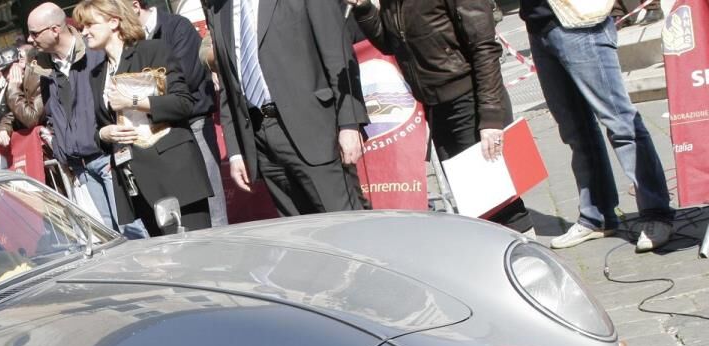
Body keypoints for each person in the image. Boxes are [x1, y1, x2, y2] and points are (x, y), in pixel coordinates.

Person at [348, 0, 533, 234]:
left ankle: (527, 260)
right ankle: (498, 257)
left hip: (470, 98)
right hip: (437, 104)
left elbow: (484, 47)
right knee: (475, 200)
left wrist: (490, 117)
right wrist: (364, 8)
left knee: (500, 201)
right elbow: (390, 43)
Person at [518, 0, 673, 252]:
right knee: (575, 131)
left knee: (621, 123)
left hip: (581, 22)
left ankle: (656, 212)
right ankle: (596, 216)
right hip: (539, 25)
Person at [203, 0, 369, 216]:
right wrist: (235, 152)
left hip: (314, 130)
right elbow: (228, 84)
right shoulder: (220, 8)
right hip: (261, 138)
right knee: (300, 235)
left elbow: (338, 54)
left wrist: (349, 122)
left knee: (344, 226)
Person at [76, 0, 214, 235]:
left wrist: (133, 102)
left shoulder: (152, 51)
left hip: (174, 172)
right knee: (167, 263)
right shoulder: (97, 74)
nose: (84, 32)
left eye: (89, 24)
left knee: (198, 255)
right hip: (135, 180)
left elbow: (183, 103)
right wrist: (104, 133)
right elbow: (103, 124)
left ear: (114, 22)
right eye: (81, 27)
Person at [27, 3, 137, 235]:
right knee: (112, 236)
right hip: (82, 168)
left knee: (134, 232)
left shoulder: (96, 53)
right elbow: (51, 115)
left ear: (55, 30)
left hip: (108, 161)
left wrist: (115, 149)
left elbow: (115, 99)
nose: (30, 39)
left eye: (34, 33)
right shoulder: (44, 69)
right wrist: (62, 150)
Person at [131, 0, 228, 227]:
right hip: (159, 129)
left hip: (192, 121)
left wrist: (139, 94)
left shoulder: (177, 27)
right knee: (179, 209)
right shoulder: (131, 40)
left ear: (135, 5)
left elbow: (187, 78)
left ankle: (224, 257)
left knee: (211, 202)